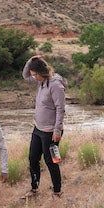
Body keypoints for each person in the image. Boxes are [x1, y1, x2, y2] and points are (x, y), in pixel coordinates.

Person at [22, 55, 66, 198]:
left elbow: (61, 109)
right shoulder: (40, 81)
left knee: (52, 161)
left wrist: (57, 130)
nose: (33, 77)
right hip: (38, 129)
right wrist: (31, 60)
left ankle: (57, 191)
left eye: (35, 74)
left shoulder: (56, 85)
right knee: (33, 159)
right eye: (33, 74)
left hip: (51, 132)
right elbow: (25, 75)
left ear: (42, 72)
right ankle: (34, 189)